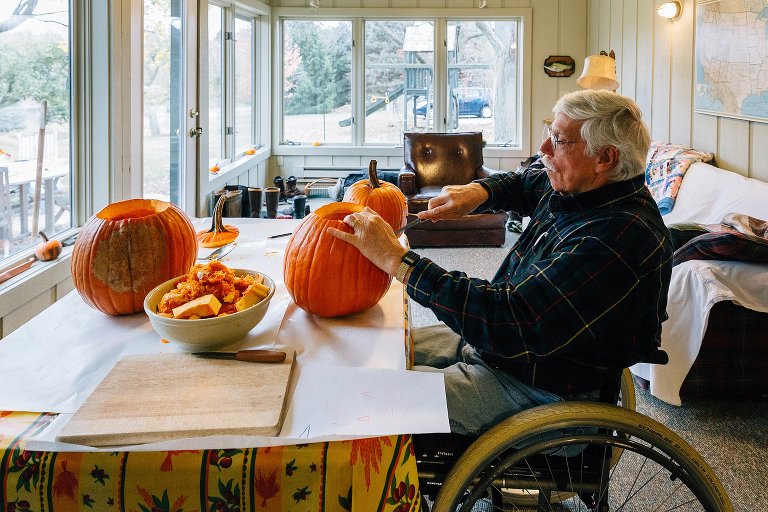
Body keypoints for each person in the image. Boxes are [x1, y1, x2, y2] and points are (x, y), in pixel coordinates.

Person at [328, 90, 673, 436]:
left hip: (541, 389)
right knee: (372, 352)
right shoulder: (584, 187)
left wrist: (398, 261)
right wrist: (480, 192)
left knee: (370, 398)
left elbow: (508, 318)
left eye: (559, 140)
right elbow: (525, 182)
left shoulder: (615, 241)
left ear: (605, 157)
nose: (544, 150)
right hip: (504, 354)